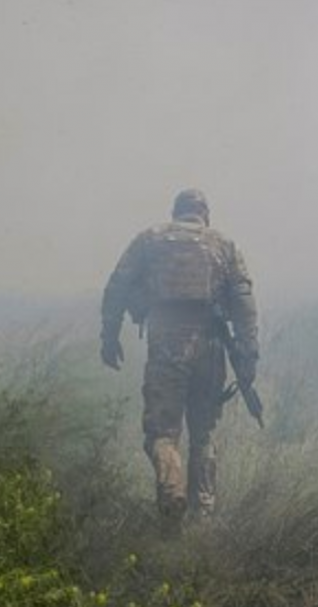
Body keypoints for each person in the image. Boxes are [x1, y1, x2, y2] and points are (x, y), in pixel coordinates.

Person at [100, 188, 259, 527]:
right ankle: (202, 514)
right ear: (205, 214)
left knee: (162, 433)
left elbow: (118, 285)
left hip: (167, 344)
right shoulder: (224, 244)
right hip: (211, 345)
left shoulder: (150, 239)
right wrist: (249, 356)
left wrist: (109, 336)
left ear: (176, 213)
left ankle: (172, 493)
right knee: (203, 434)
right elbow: (244, 302)